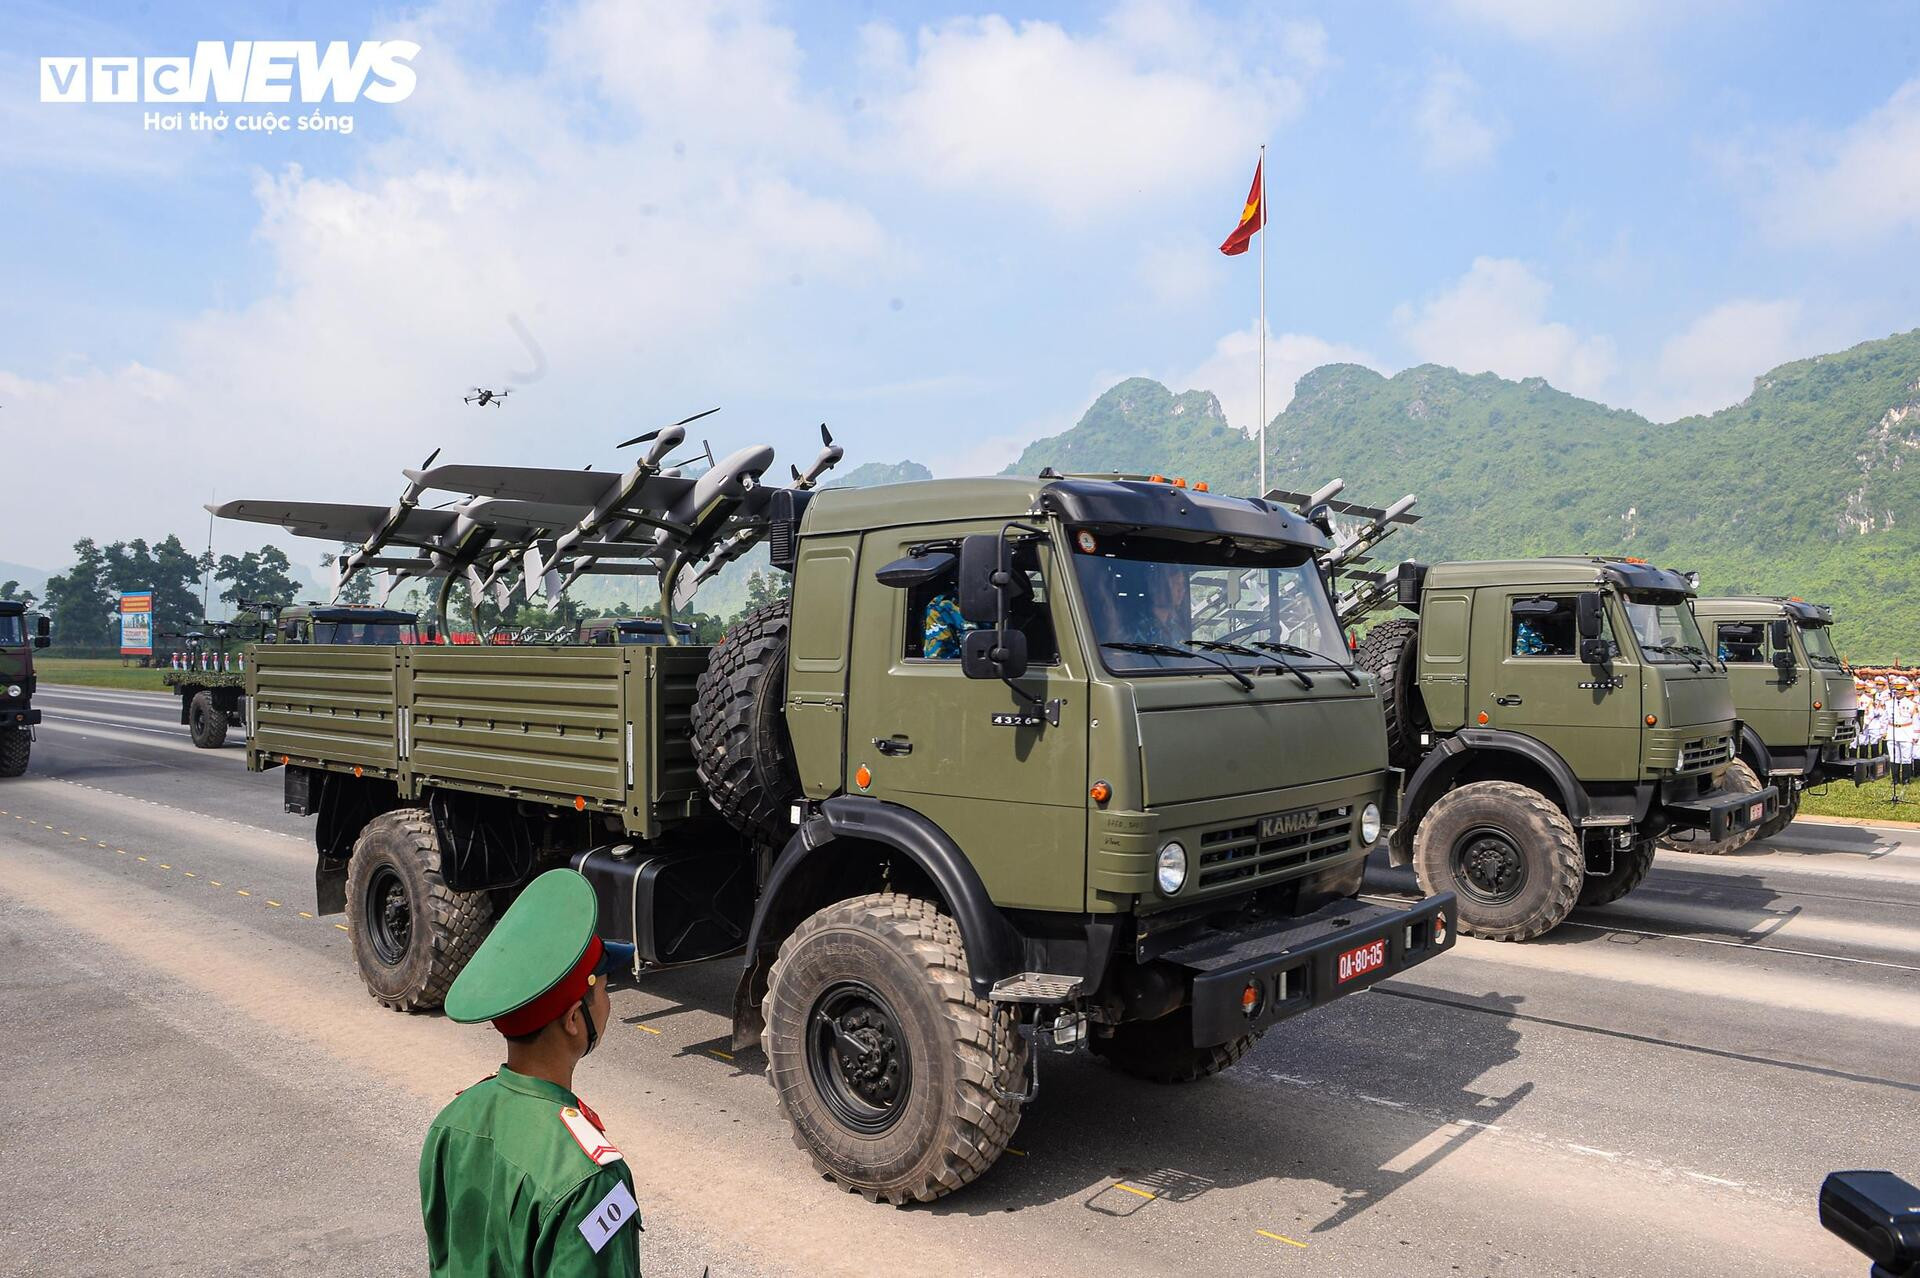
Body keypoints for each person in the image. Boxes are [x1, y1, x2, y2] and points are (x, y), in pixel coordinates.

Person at [419, 869, 640, 1277]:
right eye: (604, 990)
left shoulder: (453, 1123)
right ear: (575, 1019)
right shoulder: (590, 1181)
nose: (608, 1004)